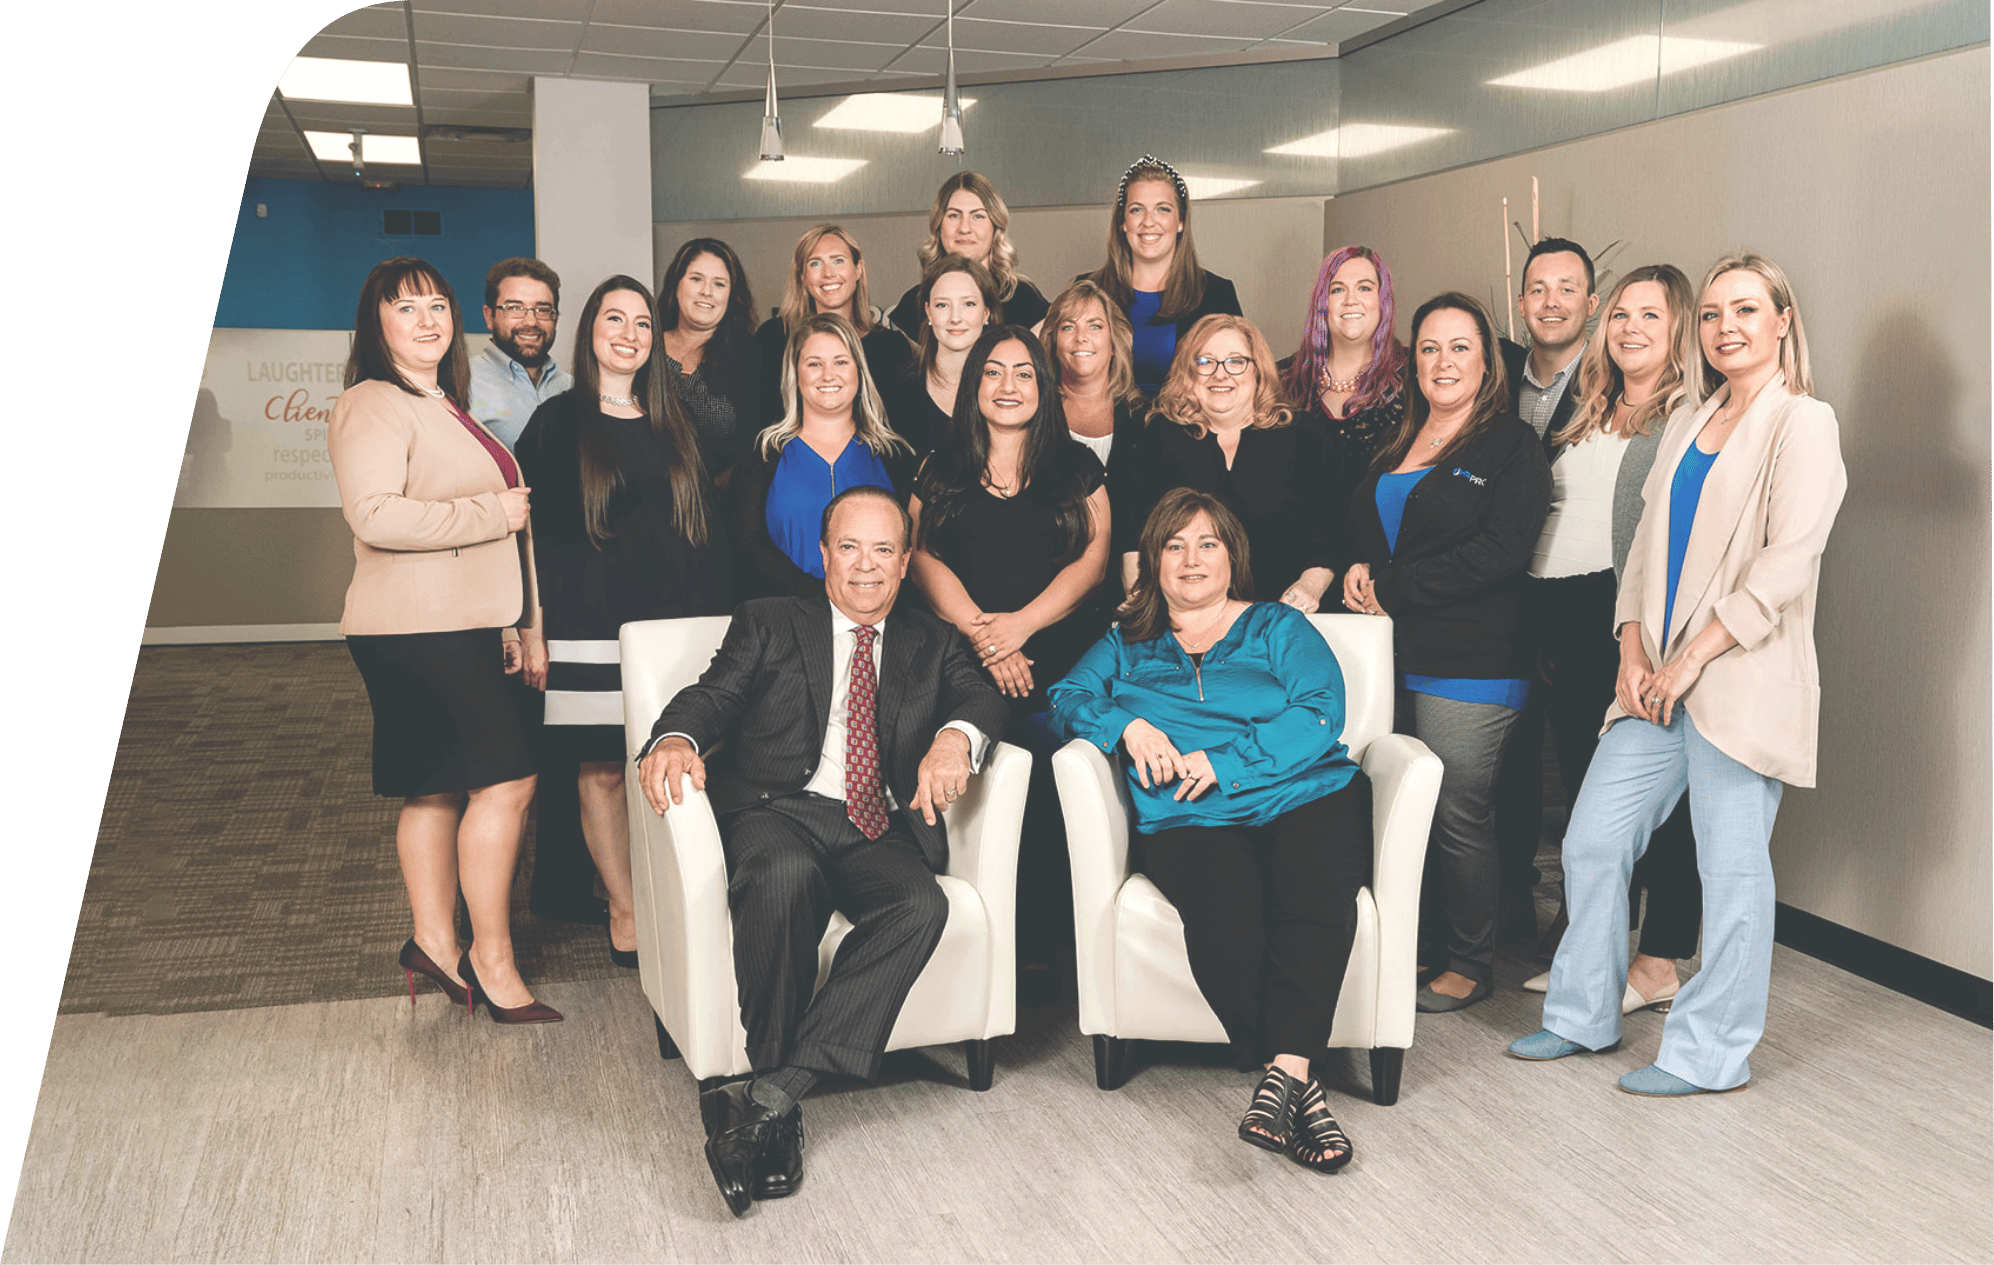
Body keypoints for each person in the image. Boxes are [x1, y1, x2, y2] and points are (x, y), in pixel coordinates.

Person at [1510, 253, 1846, 1095]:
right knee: (1591, 839)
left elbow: (1786, 563)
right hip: (1654, 679)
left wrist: (1694, 655)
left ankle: (1710, 1054)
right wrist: (1631, 647)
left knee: (1731, 872)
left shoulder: (1803, 422)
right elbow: (1645, 554)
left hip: (1738, 675)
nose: (1725, 327)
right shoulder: (1692, 419)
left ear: (1782, 322)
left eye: (1745, 310)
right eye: (1713, 315)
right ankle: (1582, 1014)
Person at [637, 486, 1008, 1216]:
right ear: (822, 553)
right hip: (778, 808)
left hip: (877, 824)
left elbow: (983, 698)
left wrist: (953, 737)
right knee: (781, 876)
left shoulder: (932, 639)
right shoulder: (772, 620)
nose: (865, 567)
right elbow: (713, 694)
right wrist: (674, 736)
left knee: (919, 904)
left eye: (882, 550)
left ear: (905, 562)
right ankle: (778, 1101)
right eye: (849, 547)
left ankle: (772, 1096)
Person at [1048, 489, 1372, 1174]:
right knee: (1224, 915)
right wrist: (1126, 726)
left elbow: (1323, 710)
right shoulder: (1126, 643)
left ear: (1233, 556)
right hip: (1189, 815)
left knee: (1313, 893)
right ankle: (1300, 1085)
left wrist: (1225, 762)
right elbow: (1066, 697)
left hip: (1303, 794)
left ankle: (1282, 1070)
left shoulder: (1278, 627)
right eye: (1174, 545)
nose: (1191, 559)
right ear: (1154, 563)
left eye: (1207, 544)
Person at [328, 256, 558, 1025]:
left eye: (437, 305)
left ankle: (434, 939)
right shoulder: (372, 401)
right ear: (376, 325)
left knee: (433, 784)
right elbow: (375, 515)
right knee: (509, 779)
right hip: (416, 628)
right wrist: (491, 514)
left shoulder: (439, 401)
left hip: (451, 623)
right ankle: (491, 958)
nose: (427, 319)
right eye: (406, 307)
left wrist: (519, 621)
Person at [1342, 292, 1551, 1014]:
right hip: (1391, 657)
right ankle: (1422, 942)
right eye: (1429, 347)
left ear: (1487, 360)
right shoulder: (1399, 440)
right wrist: (1361, 569)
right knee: (1401, 806)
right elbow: (1380, 536)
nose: (1443, 361)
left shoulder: (1509, 446)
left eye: (1460, 346)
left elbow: (1500, 551)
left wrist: (1395, 585)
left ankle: (1470, 959)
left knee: (1459, 808)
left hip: (1476, 659)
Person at [513, 275, 726, 970]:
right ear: (590, 330)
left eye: (642, 322)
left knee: (678, 764)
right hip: (587, 623)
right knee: (604, 770)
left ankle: (676, 896)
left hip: (676, 626)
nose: (629, 334)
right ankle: (626, 907)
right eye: (615, 319)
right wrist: (532, 626)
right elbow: (532, 537)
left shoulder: (677, 423)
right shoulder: (556, 421)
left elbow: (701, 530)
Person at [1517, 265, 1704, 1010]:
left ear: (1678, 329)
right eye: (1621, 314)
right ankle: (1594, 956)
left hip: (1625, 618)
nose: (1629, 328)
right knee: (1591, 800)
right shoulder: (1586, 405)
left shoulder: (1688, 415)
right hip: (1556, 610)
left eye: (1649, 317)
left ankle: (1659, 961)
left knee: (1658, 802)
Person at [908, 325, 1111, 991]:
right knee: (986, 757)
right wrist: (984, 635)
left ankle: (1059, 945)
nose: (1008, 386)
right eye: (993, 373)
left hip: (1058, 655)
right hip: (967, 660)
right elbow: (922, 556)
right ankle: (999, 944)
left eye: (1023, 373)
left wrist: (1021, 626)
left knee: (1061, 763)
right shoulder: (938, 468)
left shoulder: (1078, 466)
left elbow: (1094, 558)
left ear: (1042, 387)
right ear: (974, 388)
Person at [1492, 237, 1599, 933]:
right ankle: (1508, 905)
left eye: (1567, 289)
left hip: (1586, 598)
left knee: (1587, 759)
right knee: (1510, 758)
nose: (1551, 301)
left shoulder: (1614, 381)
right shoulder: (1496, 375)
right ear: (1521, 300)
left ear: (1591, 303)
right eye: (1539, 288)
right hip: (1501, 595)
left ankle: (1585, 916)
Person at [1123, 315, 1335, 611]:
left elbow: (1329, 532)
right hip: (1183, 617)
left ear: (1258, 371)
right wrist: (1141, 604)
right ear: (1188, 372)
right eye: (1205, 361)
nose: (1220, 375)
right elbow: (1134, 536)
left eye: (1236, 362)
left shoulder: (1302, 434)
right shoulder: (1160, 437)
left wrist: (1308, 588)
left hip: (1280, 615)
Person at [731, 313, 916, 600]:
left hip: (877, 622)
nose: (828, 375)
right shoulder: (764, 453)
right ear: (796, 374)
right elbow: (747, 542)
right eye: (814, 364)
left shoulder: (895, 455)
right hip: (785, 617)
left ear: (859, 371)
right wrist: (813, 595)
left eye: (841, 362)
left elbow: (911, 549)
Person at [1280, 246, 1409, 566]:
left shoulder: (1414, 380)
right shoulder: (1281, 383)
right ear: (1322, 303)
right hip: (1293, 565)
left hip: (1384, 569)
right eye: (1337, 289)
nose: (1351, 299)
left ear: (1383, 300)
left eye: (1365, 287)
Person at [1086, 155, 1242, 394]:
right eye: (1137, 210)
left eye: (1163, 209)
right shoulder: (1088, 289)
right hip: (1106, 428)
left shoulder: (1216, 293)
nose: (1148, 222)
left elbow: (1237, 379)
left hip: (1189, 427)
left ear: (1180, 221)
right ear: (1123, 221)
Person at [752, 224, 914, 425]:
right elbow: (758, 421)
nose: (828, 273)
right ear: (803, 276)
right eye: (815, 264)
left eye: (838, 261)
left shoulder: (891, 347)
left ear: (858, 269)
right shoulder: (773, 338)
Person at [888, 172, 1049, 340]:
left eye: (978, 216)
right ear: (938, 225)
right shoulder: (914, 303)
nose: (965, 228)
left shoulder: (1025, 299)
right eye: (954, 216)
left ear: (995, 226)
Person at [657, 237, 763, 486]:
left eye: (719, 283)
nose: (707, 291)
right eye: (696, 279)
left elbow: (756, 447)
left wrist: (708, 494)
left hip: (718, 509)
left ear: (732, 295)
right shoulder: (643, 346)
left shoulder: (751, 357)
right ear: (676, 284)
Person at [1042, 278, 1149, 517]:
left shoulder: (1145, 418)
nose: (1081, 337)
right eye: (1068, 327)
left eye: (1095, 326)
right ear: (1053, 343)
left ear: (1113, 343)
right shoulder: (1034, 413)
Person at [881, 253, 1001, 455]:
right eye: (942, 305)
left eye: (969, 304)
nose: (955, 318)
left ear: (986, 313)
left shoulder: (1008, 388)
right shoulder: (897, 388)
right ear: (928, 312)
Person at [468, 257, 570, 450]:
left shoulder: (574, 388)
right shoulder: (461, 385)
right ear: (489, 317)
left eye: (542, 309)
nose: (530, 322)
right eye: (515, 308)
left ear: (555, 319)